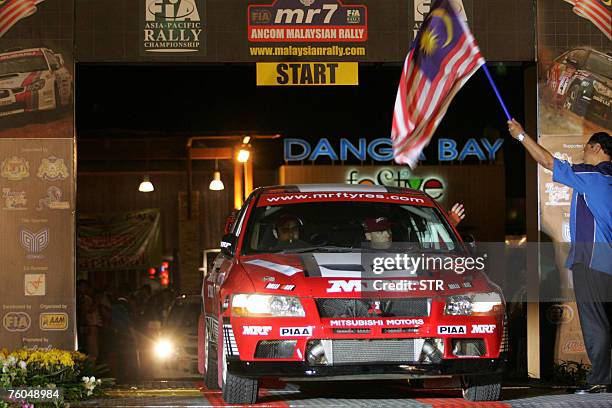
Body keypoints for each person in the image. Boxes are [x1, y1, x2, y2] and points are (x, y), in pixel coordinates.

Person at [508, 119, 612, 394]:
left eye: (586, 149)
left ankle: (601, 379)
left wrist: (521, 136)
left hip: (592, 260)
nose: (582, 154)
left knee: (595, 322)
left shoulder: (592, 175)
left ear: (599, 148)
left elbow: (546, 160)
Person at [362, 203, 466, 249]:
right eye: (380, 231)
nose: (388, 235)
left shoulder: (406, 254)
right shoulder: (355, 258)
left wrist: (448, 227)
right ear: (368, 236)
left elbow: (436, 255)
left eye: (388, 229)